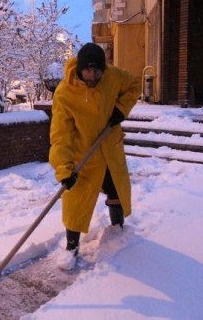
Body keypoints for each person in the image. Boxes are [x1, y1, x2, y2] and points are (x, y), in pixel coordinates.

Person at [49, 43, 141, 270]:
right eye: (88, 70)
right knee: (75, 200)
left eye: (97, 70)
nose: (93, 76)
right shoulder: (65, 92)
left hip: (109, 148)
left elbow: (135, 85)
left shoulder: (113, 77)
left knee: (116, 189)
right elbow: (61, 134)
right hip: (84, 156)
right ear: (79, 68)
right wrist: (64, 168)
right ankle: (72, 247)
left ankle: (117, 231)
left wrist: (120, 109)